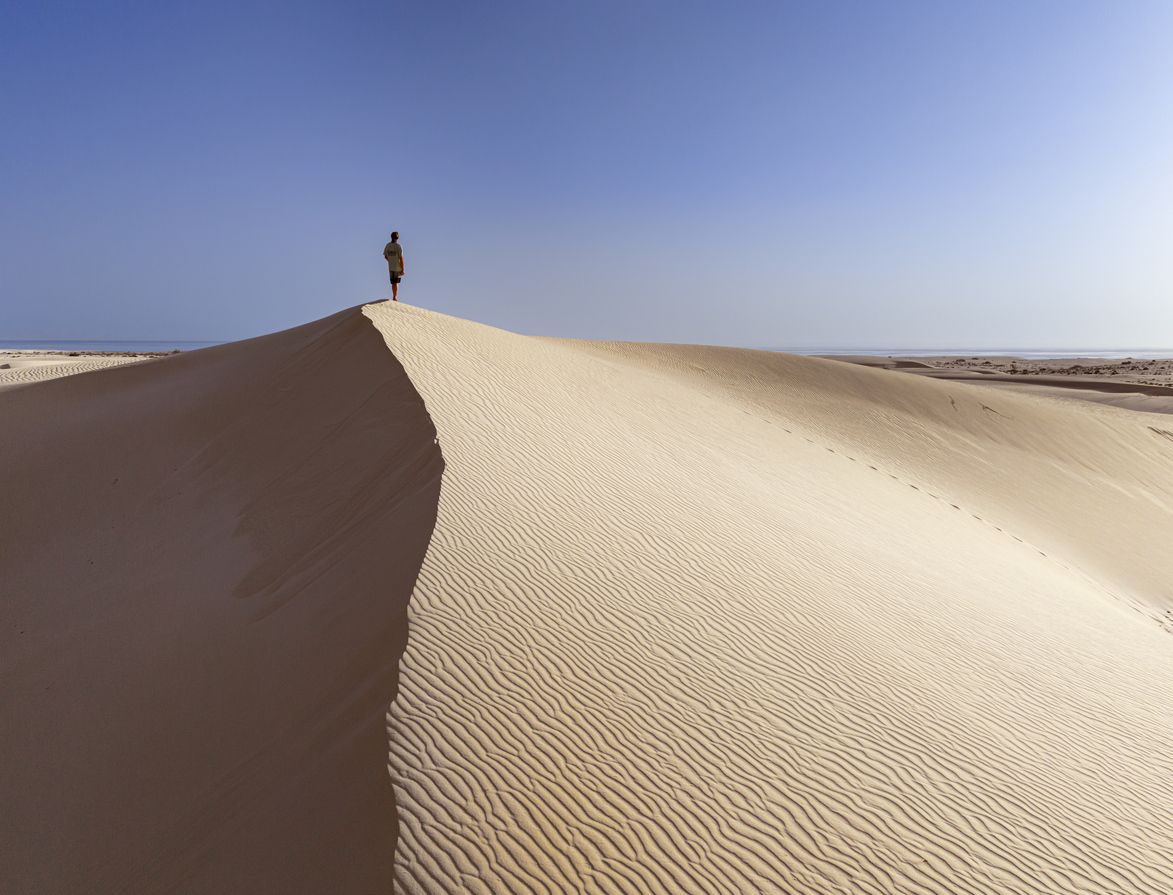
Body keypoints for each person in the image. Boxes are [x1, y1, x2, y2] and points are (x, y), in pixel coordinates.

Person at [383, 232, 405, 301]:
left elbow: (385, 256)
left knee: (393, 283)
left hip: (390, 267)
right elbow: (401, 258)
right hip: (397, 267)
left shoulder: (388, 245)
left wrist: (390, 261)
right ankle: (395, 297)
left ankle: (394, 296)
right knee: (395, 283)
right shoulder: (398, 246)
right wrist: (402, 269)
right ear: (397, 238)